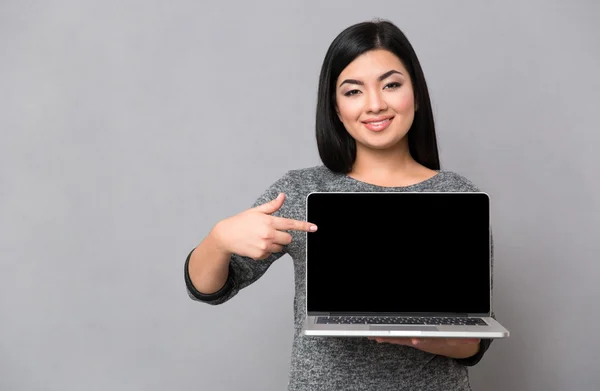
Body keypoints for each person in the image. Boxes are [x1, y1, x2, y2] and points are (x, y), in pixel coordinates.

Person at [184, 19, 495, 391]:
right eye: (353, 91)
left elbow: (473, 341)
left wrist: (418, 337)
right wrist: (219, 239)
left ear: (416, 93)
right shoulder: (301, 191)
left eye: (391, 85)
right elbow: (208, 288)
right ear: (335, 106)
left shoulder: (457, 196)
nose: (375, 104)